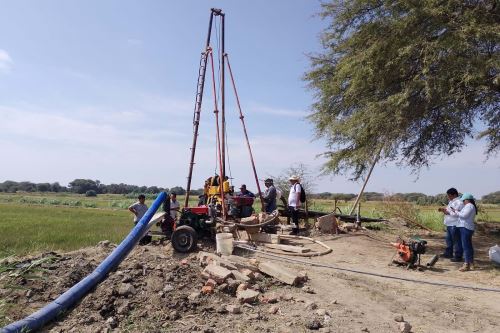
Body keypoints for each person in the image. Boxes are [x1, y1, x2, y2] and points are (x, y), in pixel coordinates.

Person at [445, 192, 477, 272]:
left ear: (467, 200)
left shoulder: (469, 206)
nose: (463, 202)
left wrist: (456, 211)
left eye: (464, 200)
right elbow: (462, 214)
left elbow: (463, 215)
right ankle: (471, 263)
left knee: (466, 247)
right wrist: (456, 211)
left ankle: (467, 264)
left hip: (466, 227)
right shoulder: (469, 206)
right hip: (465, 227)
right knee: (468, 246)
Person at [437, 188, 464, 260]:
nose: (448, 197)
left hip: (455, 224)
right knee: (449, 240)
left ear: (454, 195)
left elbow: (457, 213)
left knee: (456, 241)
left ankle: (458, 256)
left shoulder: (459, 202)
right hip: (449, 224)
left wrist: (447, 212)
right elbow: (449, 210)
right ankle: (448, 253)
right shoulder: (451, 202)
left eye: (449, 195)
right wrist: (444, 210)